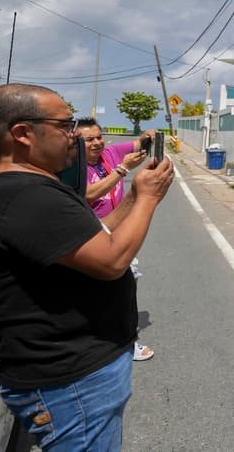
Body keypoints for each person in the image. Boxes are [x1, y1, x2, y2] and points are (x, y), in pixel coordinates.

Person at [0, 83, 174, 451]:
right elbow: (111, 260)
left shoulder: (35, 187)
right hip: (71, 383)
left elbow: (99, 236)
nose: (74, 135)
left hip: (80, 376)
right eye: (63, 125)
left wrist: (136, 197)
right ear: (23, 133)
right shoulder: (23, 196)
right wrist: (150, 199)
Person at [77, 117, 155, 361]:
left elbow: (138, 144)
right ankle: (112, 339)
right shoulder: (73, 166)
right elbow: (88, 194)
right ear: (76, 142)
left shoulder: (110, 154)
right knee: (98, 290)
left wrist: (150, 137)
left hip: (118, 233)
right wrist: (122, 170)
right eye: (89, 139)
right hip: (90, 236)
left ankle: (123, 339)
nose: (96, 143)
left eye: (99, 137)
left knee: (125, 286)